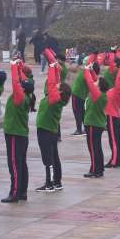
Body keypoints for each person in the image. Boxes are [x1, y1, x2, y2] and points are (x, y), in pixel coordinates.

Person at [35, 54, 71, 192]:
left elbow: (51, 84)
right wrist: (55, 68)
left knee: (48, 159)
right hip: (51, 130)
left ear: (60, 91)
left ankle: (49, 183)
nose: (57, 84)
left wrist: (51, 69)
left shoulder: (54, 99)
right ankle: (57, 181)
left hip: (45, 130)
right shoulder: (58, 98)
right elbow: (55, 81)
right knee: (54, 157)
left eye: (58, 86)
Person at [1, 59, 34, 203]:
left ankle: (14, 193)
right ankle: (22, 192)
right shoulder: (27, 95)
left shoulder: (19, 97)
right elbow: (22, 81)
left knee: (14, 164)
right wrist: (20, 66)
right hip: (20, 134)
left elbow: (15, 82)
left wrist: (14, 67)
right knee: (21, 164)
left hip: (14, 134)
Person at [82, 62, 109, 178]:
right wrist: (92, 70)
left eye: (97, 83)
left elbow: (89, 82)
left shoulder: (97, 95)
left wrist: (86, 71)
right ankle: (99, 168)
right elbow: (94, 80)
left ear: (99, 86)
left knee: (93, 148)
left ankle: (94, 170)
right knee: (97, 147)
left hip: (93, 124)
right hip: (96, 123)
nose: (95, 82)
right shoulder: (101, 94)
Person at [104, 59, 120, 168]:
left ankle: (114, 161)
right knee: (117, 140)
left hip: (112, 117)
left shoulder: (119, 90)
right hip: (115, 116)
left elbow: (119, 79)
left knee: (113, 140)